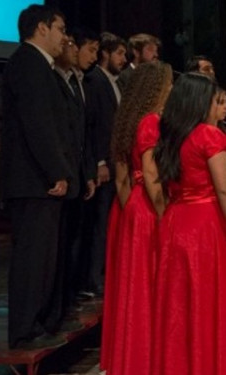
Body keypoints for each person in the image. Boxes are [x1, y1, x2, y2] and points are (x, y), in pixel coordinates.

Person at [151, 73, 226, 374]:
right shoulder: (209, 135)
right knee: (212, 302)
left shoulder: (171, 134)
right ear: (200, 101)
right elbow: (225, 188)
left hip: (176, 222)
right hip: (205, 224)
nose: (216, 105)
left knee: (180, 305)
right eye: (213, 99)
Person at [0, 4, 73, 349]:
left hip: (37, 179)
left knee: (44, 258)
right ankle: (24, 328)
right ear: (41, 28)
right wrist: (56, 171)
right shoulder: (28, 63)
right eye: (60, 29)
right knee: (32, 258)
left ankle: (36, 322)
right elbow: (38, 124)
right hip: (31, 180)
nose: (64, 37)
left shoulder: (40, 66)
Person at [102, 62, 171, 375]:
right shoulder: (151, 122)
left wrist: (130, 212)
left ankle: (135, 353)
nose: (171, 89)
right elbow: (152, 172)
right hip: (148, 207)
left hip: (131, 208)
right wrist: (161, 215)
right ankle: (148, 355)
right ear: (156, 88)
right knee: (151, 283)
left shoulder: (129, 121)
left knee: (137, 283)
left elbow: (121, 179)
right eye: (168, 84)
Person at [53, 29, 98, 315]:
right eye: (69, 43)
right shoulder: (55, 79)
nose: (68, 47)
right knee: (62, 242)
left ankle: (71, 293)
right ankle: (63, 298)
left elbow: (87, 132)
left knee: (78, 234)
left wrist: (90, 170)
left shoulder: (81, 82)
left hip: (81, 170)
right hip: (63, 171)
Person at [84, 31, 127, 299]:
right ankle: (93, 278)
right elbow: (96, 125)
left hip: (116, 162)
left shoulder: (116, 82)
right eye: (120, 53)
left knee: (109, 220)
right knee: (99, 223)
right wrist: (100, 161)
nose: (123, 59)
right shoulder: (95, 80)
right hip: (104, 163)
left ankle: (104, 273)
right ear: (105, 54)